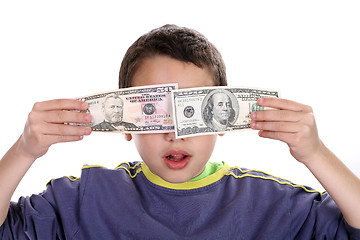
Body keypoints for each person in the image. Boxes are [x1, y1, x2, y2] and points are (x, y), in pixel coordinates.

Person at [0, 24, 360, 239]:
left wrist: (316, 154)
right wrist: (23, 150)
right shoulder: (83, 200)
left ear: (222, 118)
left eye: (190, 113)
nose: (175, 135)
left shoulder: (271, 204)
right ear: (125, 122)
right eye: (155, 112)